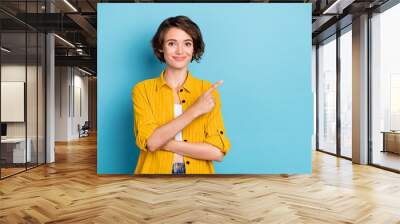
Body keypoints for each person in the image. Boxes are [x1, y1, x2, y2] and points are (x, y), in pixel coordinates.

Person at [132, 15, 231, 174]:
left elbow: (217, 152)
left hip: (199, 178)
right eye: (172, 43)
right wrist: (195, 110)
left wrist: (162, 142)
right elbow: (151, 143)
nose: (180, 51)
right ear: (160, 47)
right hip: (154, 177)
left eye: (187, 43)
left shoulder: (208, 90)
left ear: (194, 49)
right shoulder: (142, 90)